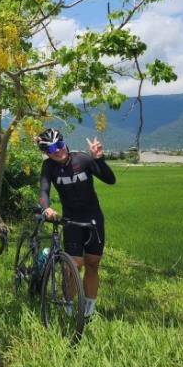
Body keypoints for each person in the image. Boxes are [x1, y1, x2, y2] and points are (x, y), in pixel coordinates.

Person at [36, 128, 116, 317]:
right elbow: (44, 190)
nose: (58, 150)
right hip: (71, 220)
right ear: (46, 153)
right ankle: (68, 304)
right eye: (52, 148)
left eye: (60, 144)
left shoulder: (83, 159)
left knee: (92, 263)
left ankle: (89, 307)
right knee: (73, 265)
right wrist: (46, 208)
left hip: (93, 218)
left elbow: (110, 180)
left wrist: (98, 159)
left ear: (65, 143)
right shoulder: (49, 167)